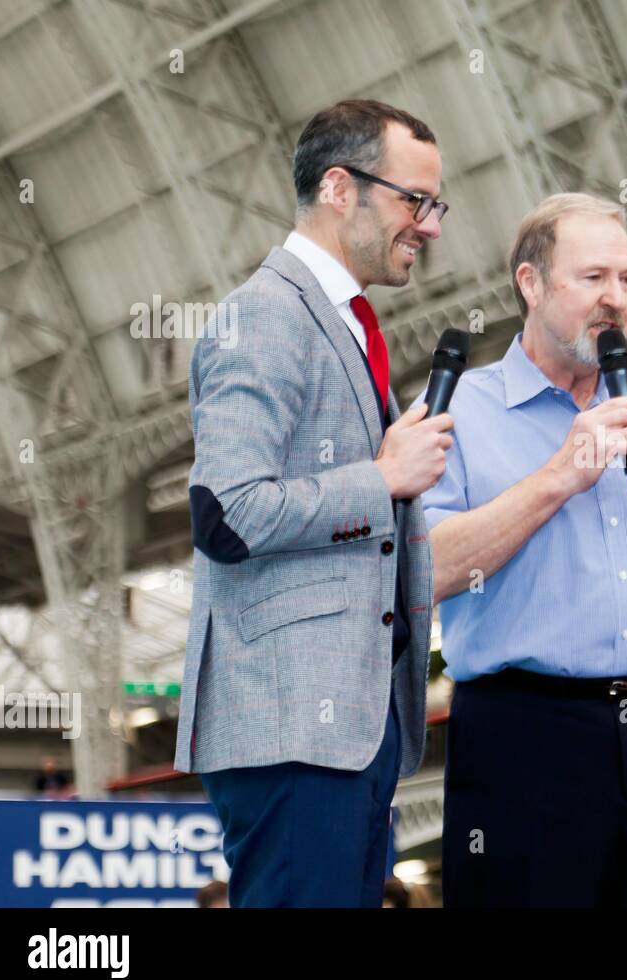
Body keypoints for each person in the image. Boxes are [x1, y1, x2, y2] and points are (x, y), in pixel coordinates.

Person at [421, 192, 627, 907]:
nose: (616, 300)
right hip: (529, 740)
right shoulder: (454, 414)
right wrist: (558, 478)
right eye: (594, 278)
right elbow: (423, 572)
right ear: (531, 284)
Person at [174, 99, 454, 907]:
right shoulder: (265, 315)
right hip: (292, 727)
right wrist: (382, 478)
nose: (428, 226)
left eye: (433, 205)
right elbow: (226, 513)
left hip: (348, 730)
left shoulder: (343, 323)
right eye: (414, 201)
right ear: (341, 187)